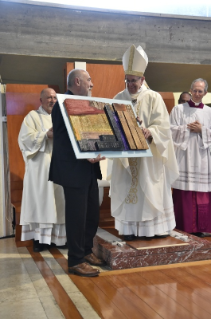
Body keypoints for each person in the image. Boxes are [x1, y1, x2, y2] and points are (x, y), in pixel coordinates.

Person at [110, 44, 179, 240]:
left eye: (134, 81)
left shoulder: (153, 97)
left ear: (143, 79)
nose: (130, 84)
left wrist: (150, 132)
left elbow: (164, 127)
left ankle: (151, 230)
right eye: (127, 80)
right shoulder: (118, 98)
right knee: (127, 187)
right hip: (127, 156)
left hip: (148, 157)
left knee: (148, 188)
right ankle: (129, 230)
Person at [49, 69, 105, 277]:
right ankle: (75, 260)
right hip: (73, 168)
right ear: (78, 81)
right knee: (77, 216)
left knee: (91, 213)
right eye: (89, 80)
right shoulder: (63, 103)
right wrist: (85, 153)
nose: (92, 84)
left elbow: (89, 133)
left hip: (87, 167)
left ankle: (86, 250)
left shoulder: (82, 104)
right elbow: (68, 138)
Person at [19, 88, 66, 252]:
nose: (52, 100)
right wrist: (45, 135)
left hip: (59, 165)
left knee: (59, 202)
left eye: (54, 97)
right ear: (41, 100)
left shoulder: (61, 116)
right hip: (40, 168)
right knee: (42, 202)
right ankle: (40, 240)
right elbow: (24, 139)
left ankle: (58, 238)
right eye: (48, 98)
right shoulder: (32, 117)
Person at [170, 78, 211, 237]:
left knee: (202, 192)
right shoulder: (178, 110)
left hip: (202, 158)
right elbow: (170, 130)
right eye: (194, 90)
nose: (197, 93)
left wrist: (202, 130)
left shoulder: (209, 112)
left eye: (200, 91)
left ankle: (202, 227)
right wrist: (187, 129)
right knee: (184, 192)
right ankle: (182, 225)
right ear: (190, 90)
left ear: (205, 93)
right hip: (185, 157)